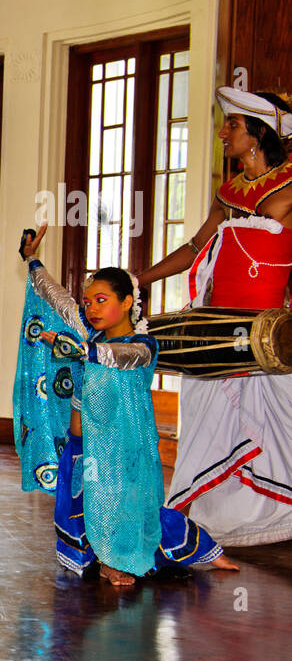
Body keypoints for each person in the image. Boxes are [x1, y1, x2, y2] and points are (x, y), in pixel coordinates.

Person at [16, 226, 237, 586]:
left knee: (129, 511)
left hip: (119, 454)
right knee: (82, 513)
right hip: (81, 450)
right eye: (87, 302)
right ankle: (102, 556)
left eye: (101, 300)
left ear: (127, 302)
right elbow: (54, 296)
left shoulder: (143, 346)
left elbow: (119, 357)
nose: (90, 308)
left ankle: (122, 559)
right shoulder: (91, 333)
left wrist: (81, 350)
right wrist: (32, 258)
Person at [137, 87, 292, 547]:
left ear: (259, 134)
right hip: (218, 328)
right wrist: (138, 278)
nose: (223, 134)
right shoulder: (228, 193)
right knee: (210, 417)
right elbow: (192, 250)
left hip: (268, 331)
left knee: (278, 421)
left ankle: (274, 512)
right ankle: (218, 516)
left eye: (232, 125)